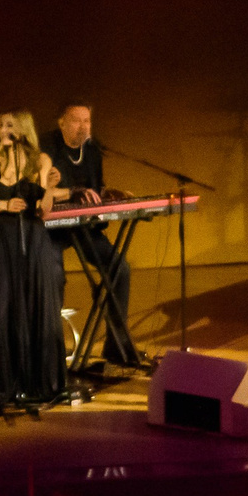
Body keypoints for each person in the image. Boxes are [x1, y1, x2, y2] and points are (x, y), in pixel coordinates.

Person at [0, 109, 66, 410]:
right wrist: (4, 204)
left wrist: (49, 190)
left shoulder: (40, 161)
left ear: (23, 128)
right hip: (3, 243)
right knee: (3, 307)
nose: (2, 129)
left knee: (34, 304)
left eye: (9, 124)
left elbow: (43, 208)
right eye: (0, 124)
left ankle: (36, 382)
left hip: (33, 241)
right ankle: (3, 382)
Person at [40, 102, 143, 368]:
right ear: (61, 122)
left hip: (83, 227)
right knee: (53, 276)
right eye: (76, 120)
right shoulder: (46, 148)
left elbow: (95, 188)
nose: (83, 127)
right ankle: (50, 353)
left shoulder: (93, 150)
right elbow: (41, 192)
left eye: (87, 120)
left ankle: (116, 346)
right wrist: (72, 191)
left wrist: (107, 194)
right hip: (52, 229)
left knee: (119, 268)